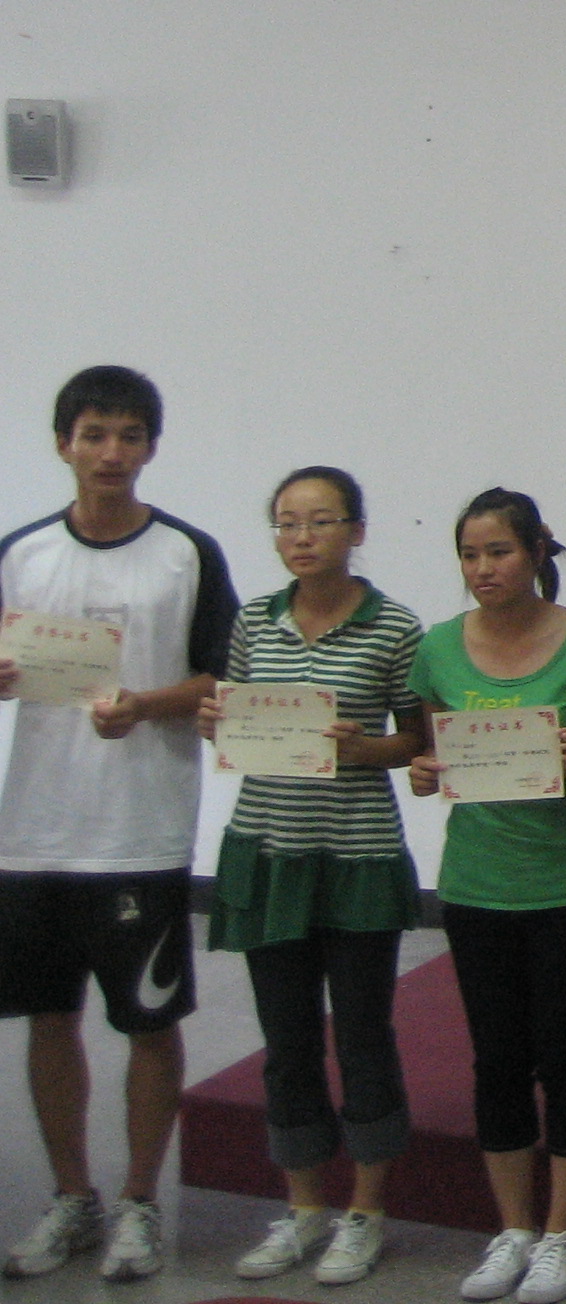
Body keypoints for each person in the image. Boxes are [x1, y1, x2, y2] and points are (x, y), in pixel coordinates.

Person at [0, 365, 236, 1283]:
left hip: (141, 830)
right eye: (94, 434)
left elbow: (220, 678)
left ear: (151, 447)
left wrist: (143, 704)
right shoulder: (21, 554)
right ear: (63, 442)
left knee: (148, 1022)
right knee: (47, 1018)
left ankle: (139, 1202)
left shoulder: (186, 554)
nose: (111, 453)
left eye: (129, 436)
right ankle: (72, 1197)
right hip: (34, 833)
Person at [201, 467, 427, 1286]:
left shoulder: (395, 626)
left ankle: (365, 1213)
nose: (302, 537)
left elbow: (419, 740)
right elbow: (239, 720)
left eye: (321, 521)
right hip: (268, 850)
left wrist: (364, 748)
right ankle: (302, 1210)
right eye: (287, 523)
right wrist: (216, 724)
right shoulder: (254, 620)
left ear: (355, 531)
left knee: (364, 1036)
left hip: (357, 854)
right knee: (286, 1041)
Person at [408, 490, 566, 1304]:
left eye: (498, 552)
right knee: (496, 1059)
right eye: (470, 555)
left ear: (535, 552)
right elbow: (431, 751)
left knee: (564, 1055)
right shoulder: (437, 647)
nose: (483, 569)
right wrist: (423, 772)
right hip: (475, 884)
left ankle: (561, 1233)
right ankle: (513, 1230)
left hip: (564, 881)